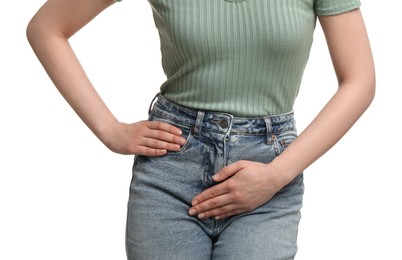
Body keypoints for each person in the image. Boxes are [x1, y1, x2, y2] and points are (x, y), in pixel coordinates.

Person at [27, 0, 375, 259]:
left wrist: (277, 174)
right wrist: (109, 129)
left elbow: (359, 81)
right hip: (171, 169)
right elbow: (47, 28)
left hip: (268, 174)